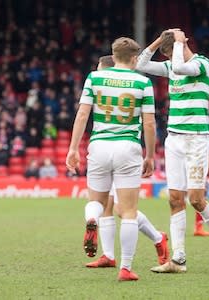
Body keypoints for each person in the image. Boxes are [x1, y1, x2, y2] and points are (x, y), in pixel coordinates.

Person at [136, 29, 209, 273]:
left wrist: (179, 43)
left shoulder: (202, 64)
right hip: (174, 139)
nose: (168, 59)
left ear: (180, 47)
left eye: (169, 53)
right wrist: (160, 40)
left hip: (197, 139)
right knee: (175, 199)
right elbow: (140, 64)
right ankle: (178, 259)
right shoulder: (171, 65)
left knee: (196, 199)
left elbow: (179, 67)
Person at [66, 37, 156, 281]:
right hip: (128, 147)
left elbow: (83, 113)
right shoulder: (143, 82)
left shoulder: (94, 78)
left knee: (97, 201)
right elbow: (148, 122)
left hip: (99, 146)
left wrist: (73, 148)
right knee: (128, 211)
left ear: (113, 57)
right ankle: (125, 268)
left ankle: (91, 218)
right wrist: (150, 154)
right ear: (135, 58)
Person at [85, 55, 169, 269]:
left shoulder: (111, 84)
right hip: (116, 150)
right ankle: (109, 255)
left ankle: (158, 238)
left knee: (122, 209)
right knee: (108, 207)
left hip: (119, 149)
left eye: (100, 69)